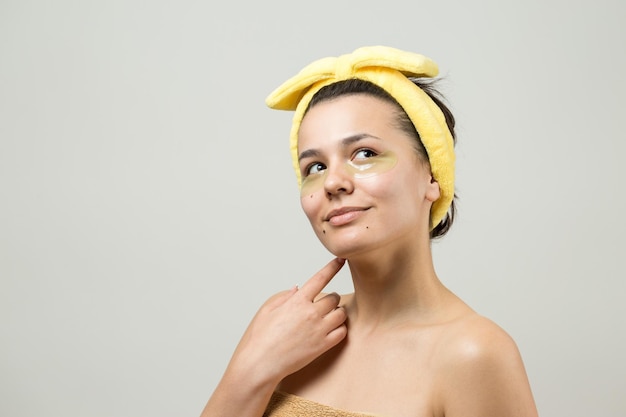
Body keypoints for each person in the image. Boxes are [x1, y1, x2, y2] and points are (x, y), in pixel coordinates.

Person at [201, 45, 538, 417]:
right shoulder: (284, 323)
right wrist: (251, 372)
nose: (333, 182)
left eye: (364, 154)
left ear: (432, 176)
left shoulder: (473, 354)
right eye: (314, 166)